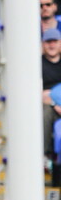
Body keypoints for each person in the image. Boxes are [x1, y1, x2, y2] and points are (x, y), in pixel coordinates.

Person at [42, 28, 61, 172]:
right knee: (46, 113)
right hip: (49, 106)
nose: (52, 45)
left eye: (55, 41)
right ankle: (43, 154)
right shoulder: (37, 64)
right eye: (48, 41)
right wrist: (54, 103)